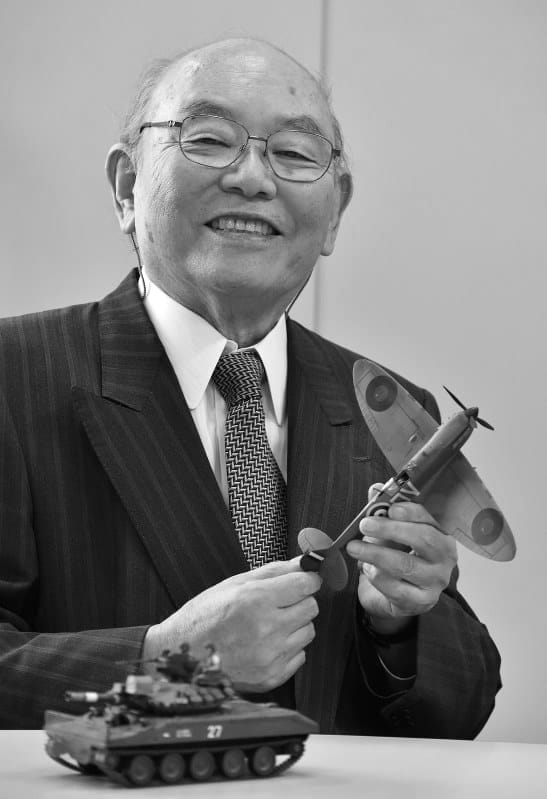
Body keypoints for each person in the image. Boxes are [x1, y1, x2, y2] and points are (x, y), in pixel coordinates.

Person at [0, 37, 500, 735]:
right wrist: (162, 661)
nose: (253, 178)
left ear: (335, 212)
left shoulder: (387, 409)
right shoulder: (14, 375)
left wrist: (399, 625)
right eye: (209, 140)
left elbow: (464, 708)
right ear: (126, 186)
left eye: (293, 153)